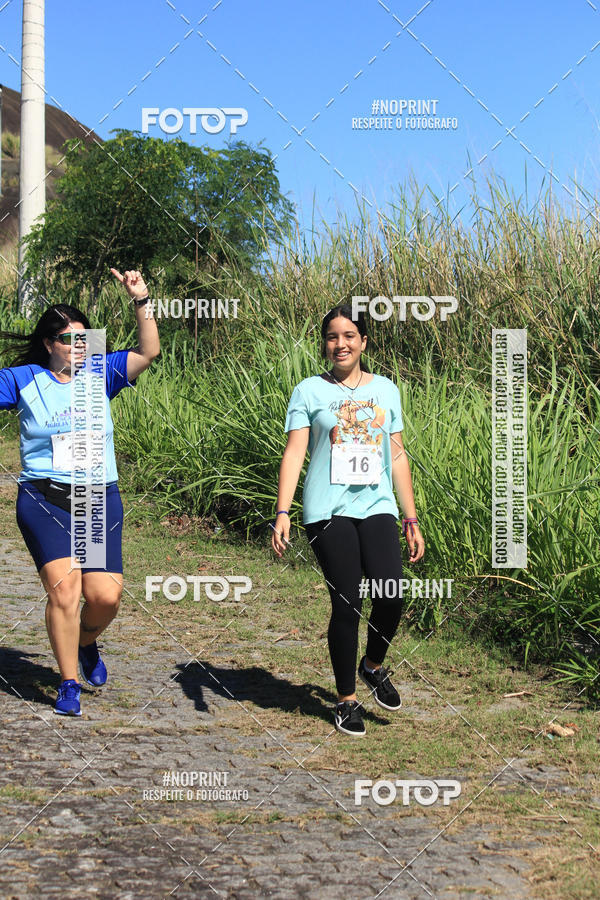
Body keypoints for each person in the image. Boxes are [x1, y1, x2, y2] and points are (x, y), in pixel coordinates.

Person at [0, 269, 159, 716]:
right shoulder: (22, 379)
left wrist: (140, 298)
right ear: (50, 344)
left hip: (97, 498)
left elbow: (150, 350)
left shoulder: (100, 373)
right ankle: (67, 682)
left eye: (83, 339)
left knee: (105, 597)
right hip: (44, 498)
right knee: (65, 593)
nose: (77, 347)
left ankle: (86, 641)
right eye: (68, 340)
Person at [271, 305, 425, 736]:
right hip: (327, 510)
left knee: (391, 595)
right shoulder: (308, 391)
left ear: (363, 341)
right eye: (333, 336)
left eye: (350, 335)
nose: (341, 343)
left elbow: (396, 456)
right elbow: (295, 453)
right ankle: (345, 700)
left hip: (377, 506)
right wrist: (282, 512)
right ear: (324, 343)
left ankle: (372, 665)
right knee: (348, 602)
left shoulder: (387, 391)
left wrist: (410, 518)